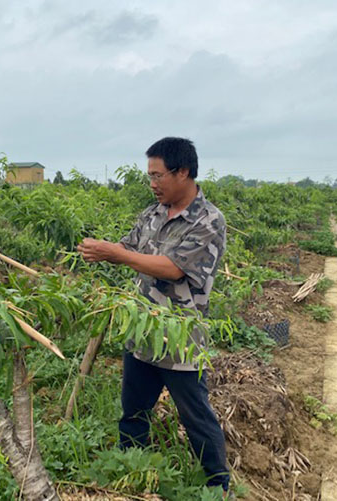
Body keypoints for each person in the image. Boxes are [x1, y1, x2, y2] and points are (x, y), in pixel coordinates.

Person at [77, 137, 232, 498]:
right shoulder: (152, 214)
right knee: (133, 411)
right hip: (142, 334)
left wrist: (115, 254)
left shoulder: (208, 220)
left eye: (158, 175)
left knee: (195, 416)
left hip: (179, 339)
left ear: (184, 172)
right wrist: (102, 250)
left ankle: (218, 486)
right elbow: (130, 247)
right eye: (150, 175)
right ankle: (132, 471)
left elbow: (174, 269)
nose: (152, 183)